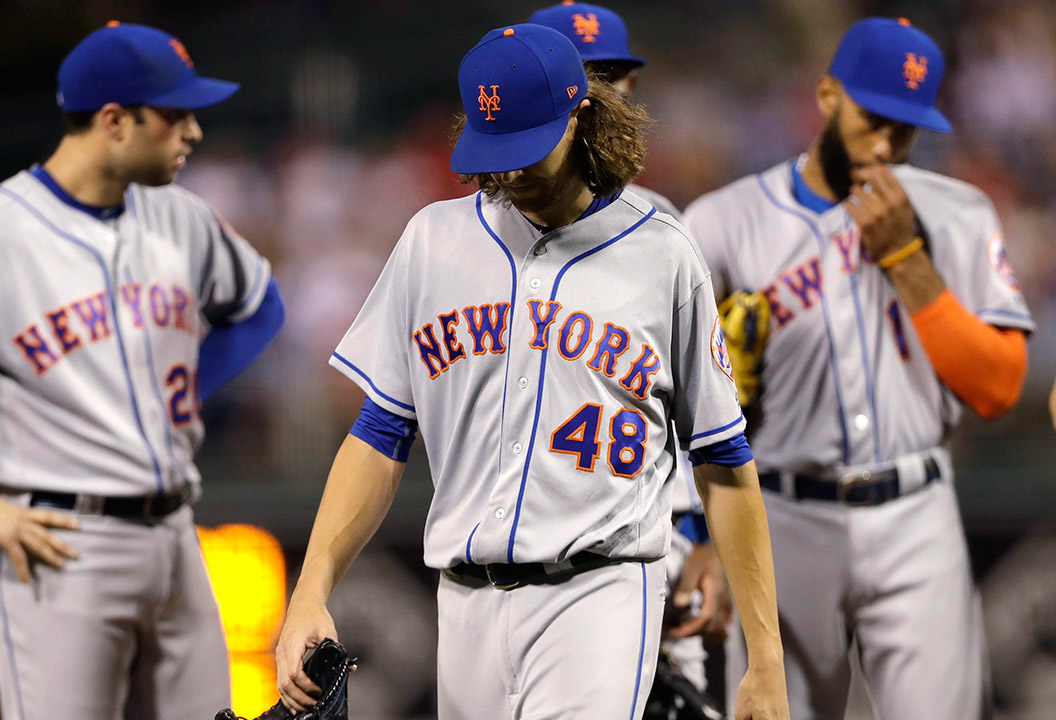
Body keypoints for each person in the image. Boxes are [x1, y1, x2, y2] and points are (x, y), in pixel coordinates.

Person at [275, 23, 788, 720]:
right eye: (494, 149)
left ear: (581, 114)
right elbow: (379, 434)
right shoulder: (433, 239)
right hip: (462, 603)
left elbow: (725, 463)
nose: (509, 171)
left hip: (600, 592)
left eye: (525, 147)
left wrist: (765, 659)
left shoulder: (662, 254)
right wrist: (311, 589)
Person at [0, 22, 284, 720]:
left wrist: (188, 393)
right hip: (56, 544)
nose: (193, 131)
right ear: (113, 120)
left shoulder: (179, 215)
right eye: (175, 114)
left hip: (175, 532)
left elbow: (258, 304)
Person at [683, 17, 1033, 720]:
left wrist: (908, 262)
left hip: (915, 513)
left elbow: (997, 389)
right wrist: (697, 535)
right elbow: (669, 404)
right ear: (826, 96)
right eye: (873, 118)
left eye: (905, 128)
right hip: (779, 519)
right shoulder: (721, 223)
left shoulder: (957, 214)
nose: (885, 144)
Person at [529, 1, 734, 694]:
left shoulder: (666, 230)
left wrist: (710, 541)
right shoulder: (471, 233)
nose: (601, 94)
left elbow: (710, 419)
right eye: (585, 76)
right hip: (520, 550)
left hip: (657, 536)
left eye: (614, 77)